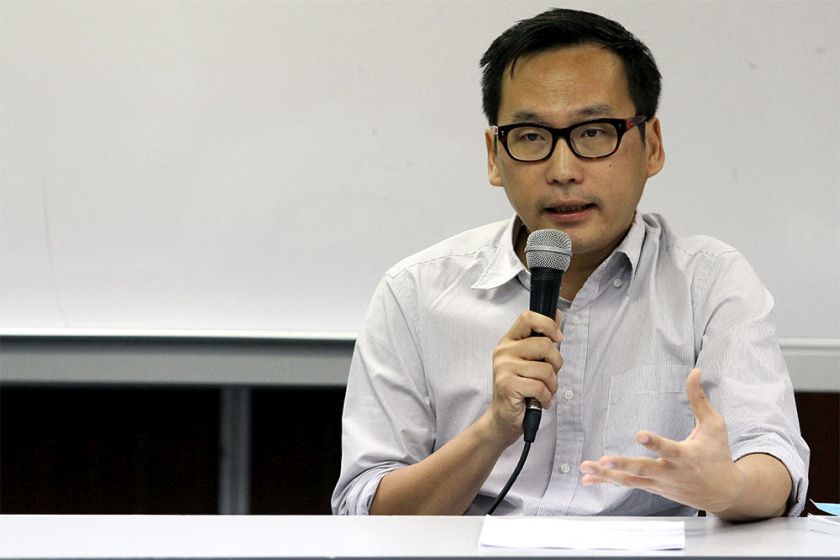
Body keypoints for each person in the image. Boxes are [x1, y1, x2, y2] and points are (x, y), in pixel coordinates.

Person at [331, 8, 809, 518]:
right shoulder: (415, 294)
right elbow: (365, 515)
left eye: (594, 133)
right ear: (495, 156)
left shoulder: (709, 282)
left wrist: (728, 488)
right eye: (532, 137)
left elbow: (773, 463)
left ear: (652, 146)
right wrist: (492, 430)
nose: (563, 171)